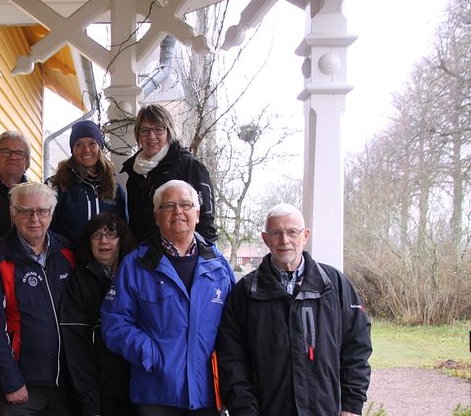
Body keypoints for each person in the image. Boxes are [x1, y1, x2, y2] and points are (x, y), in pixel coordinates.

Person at [216, 203, 372, 416]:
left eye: (292, 232)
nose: (284, 240)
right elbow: (232, 360)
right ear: (265, 238)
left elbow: (357, 347)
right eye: (276, 233)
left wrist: (351, 406)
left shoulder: (335, 285)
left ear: (305, 235)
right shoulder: (245, 293)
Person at [101, 180, 236, 415]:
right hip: (156, 392)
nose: (178, 212)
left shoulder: (219, 266)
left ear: (197, 212)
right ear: (156, 215)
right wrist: (150, 354)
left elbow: (235, 327)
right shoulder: (136, 265)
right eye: (169, 206)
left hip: (208, 392)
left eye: (185, 204)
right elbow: (115, 323)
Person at [0, 182, 76, 416]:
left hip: (64, 383)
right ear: (13, 213)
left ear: (51, 213)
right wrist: (11, 380)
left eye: (42, 211)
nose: (34, 219)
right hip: (21, 386)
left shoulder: (66, 252)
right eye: (25, 211)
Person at [59, 213, 138, 416]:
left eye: (111, 234)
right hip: (99, 393)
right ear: (89, 242)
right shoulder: (79, 282)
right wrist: (89, 402)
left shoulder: (136, 277)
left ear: (122, 240)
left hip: (137, 392)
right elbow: (76, 347)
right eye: (97, 235)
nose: (104, 240)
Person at [121, 104, 216, 243]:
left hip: (179, 256)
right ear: (138, 134)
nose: (151, 136)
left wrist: (205, 259)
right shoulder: (134, 173)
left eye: (158, 130)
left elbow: (205, 223)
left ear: (168, 132)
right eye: (145, 130)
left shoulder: (189, 167)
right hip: (145, 257)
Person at [48, 120, 127, 244]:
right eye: (79, 144)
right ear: (72, 150)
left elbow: (123, 230)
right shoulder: (58, 184)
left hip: (105, 259)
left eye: (92, 143)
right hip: (69, 259)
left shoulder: (114, 188)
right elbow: (47, 227)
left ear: (100, 147)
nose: (86, 149)